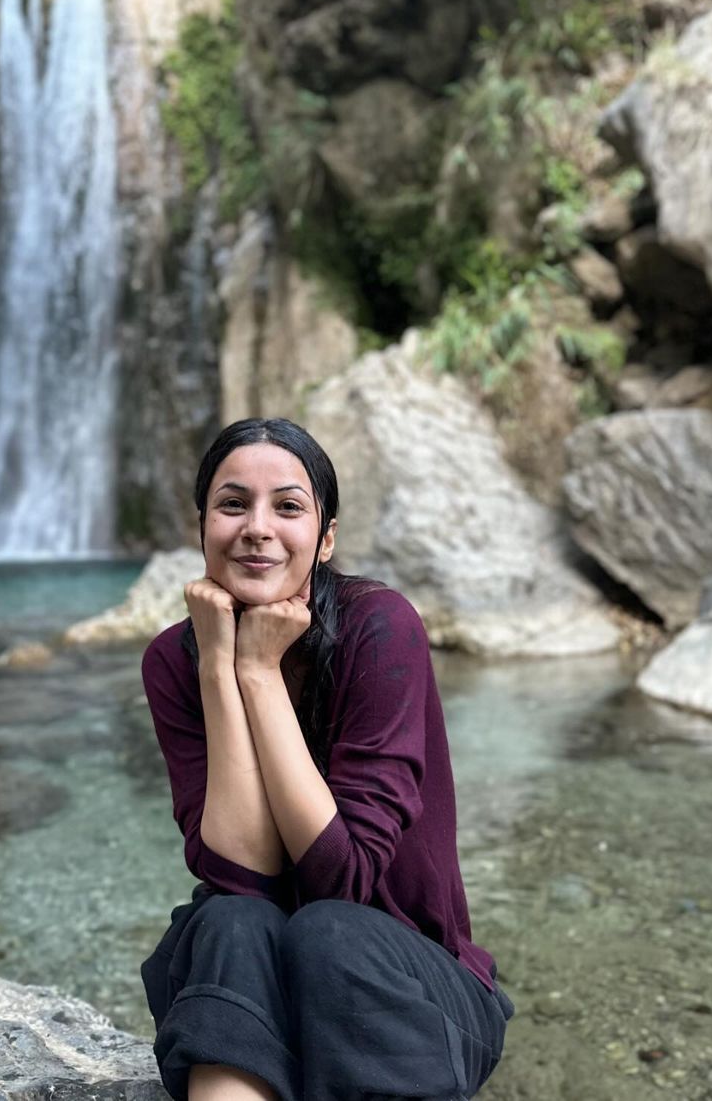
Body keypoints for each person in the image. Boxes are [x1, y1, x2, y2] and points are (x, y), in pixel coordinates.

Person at [139, 418, 514, 1101]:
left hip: (416, 989)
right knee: (227, 918)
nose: (257, 527)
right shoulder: (176, 657)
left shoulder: (381, 627)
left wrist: (257, 669)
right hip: (268, 978)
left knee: (327, 930)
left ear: (327, 536)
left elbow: (346, 878)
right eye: (232, 504)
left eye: (287, 506)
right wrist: (219, 666)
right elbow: (242, 876)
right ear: (201, 526)